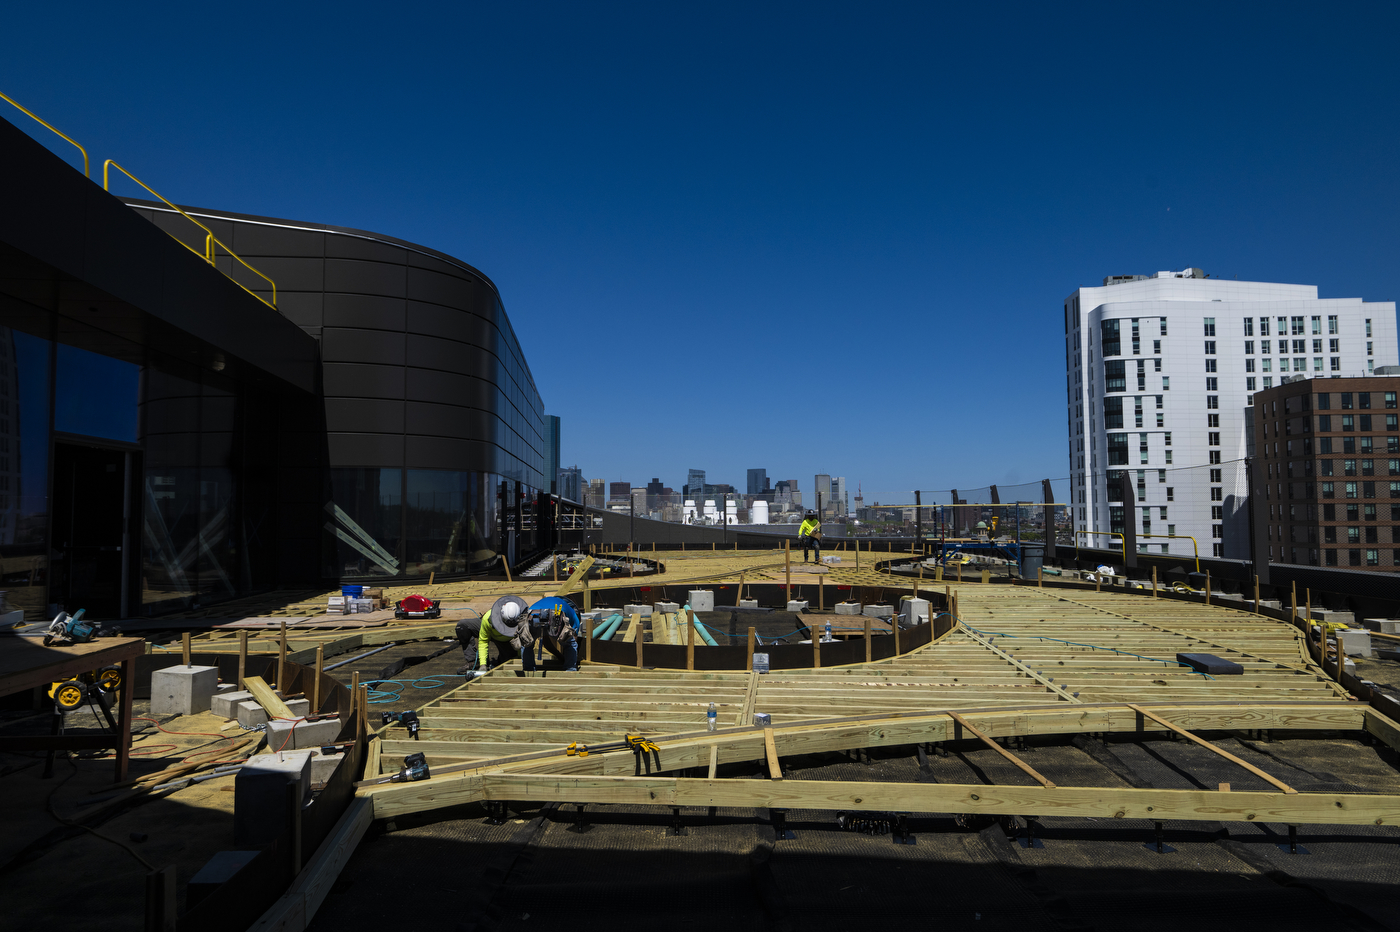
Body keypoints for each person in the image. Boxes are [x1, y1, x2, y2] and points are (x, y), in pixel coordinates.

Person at [455, 595, 531, 676]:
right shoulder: (488, 618)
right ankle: (474, 662)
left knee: (507, 662)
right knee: (462, 626)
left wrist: (520, 660)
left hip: (508, 641)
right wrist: (483, 665)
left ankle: (504, 658)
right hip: (491, 632)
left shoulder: (524, 622)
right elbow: (483, 641)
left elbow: (522, 643)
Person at [522, 596, 584, 672]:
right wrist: (563, 657)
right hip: (555, 614)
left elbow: (546, 641)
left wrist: (559, 656)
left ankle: (528, 669)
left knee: (527, 643)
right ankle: (570, 669)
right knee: (570, 644)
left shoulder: (546, 601)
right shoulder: (574, 615)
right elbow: (574, 637)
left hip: (532, 614)